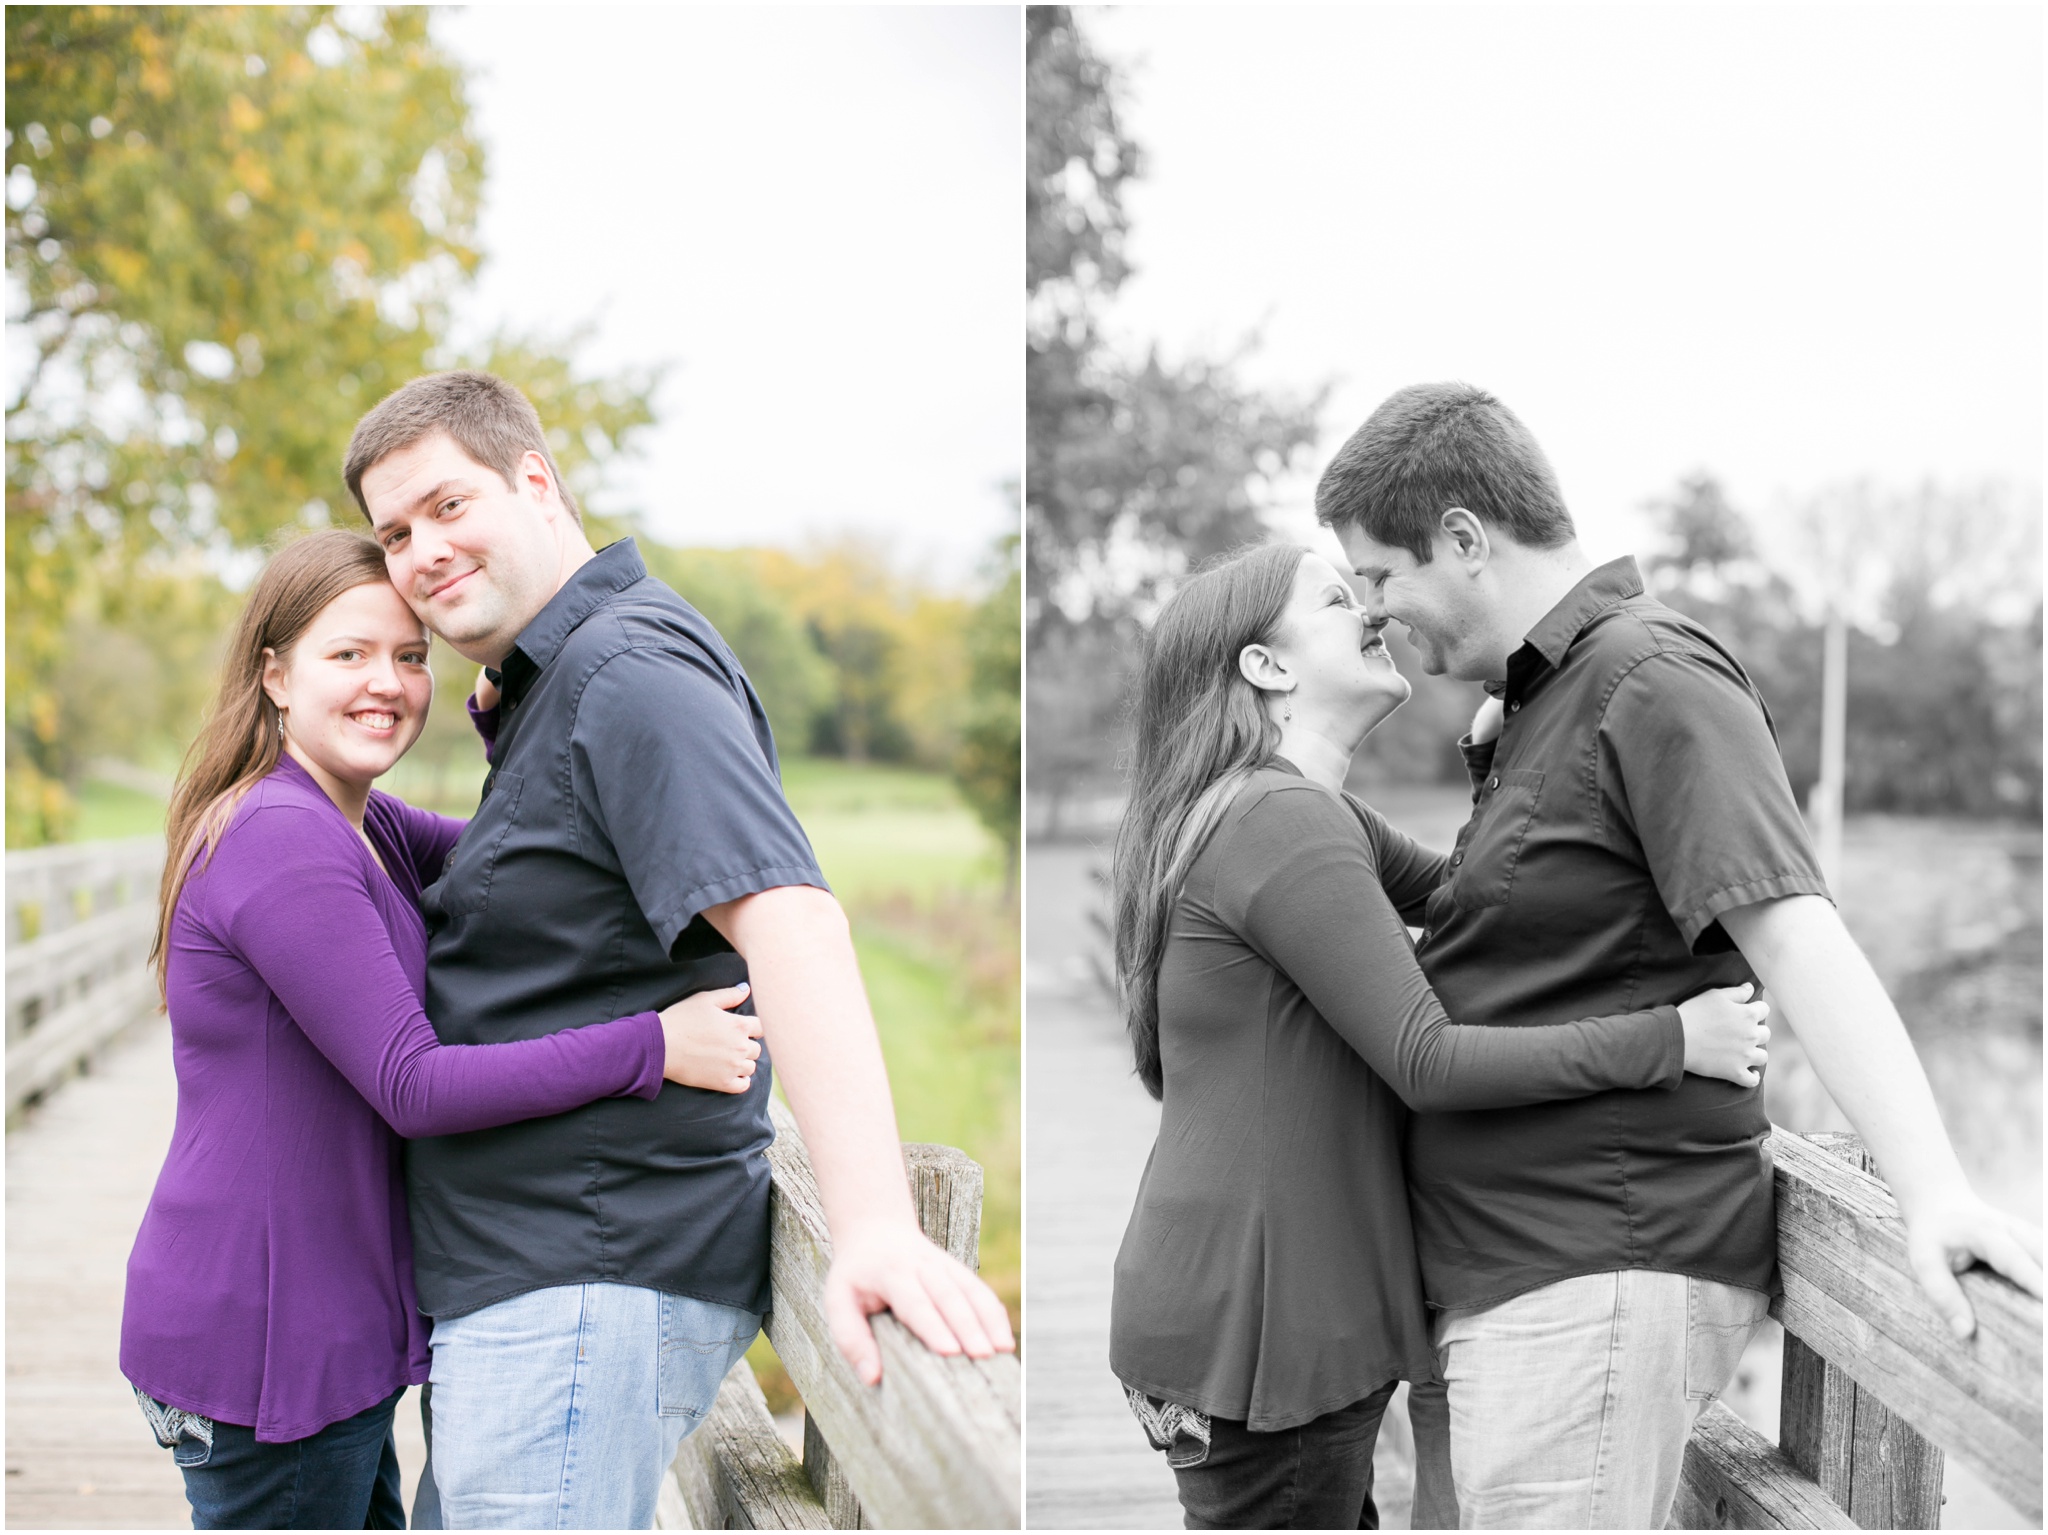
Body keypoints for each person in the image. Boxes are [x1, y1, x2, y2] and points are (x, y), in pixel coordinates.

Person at [1317, 380, 2046, 1529]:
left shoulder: (1651, 680)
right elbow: (1558, 938)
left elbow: (1795, 930)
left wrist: (1931, 1185)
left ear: (1462, 538)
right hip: (1501, 1271)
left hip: (1587, 1274)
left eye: (1378, 576)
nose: (1375, 613)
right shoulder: (1545, 702)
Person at [342, 371, 1014, 1530]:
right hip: (532, 1283)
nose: (420, 552)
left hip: (579, 1284)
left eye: (447, 506)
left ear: (536, 480)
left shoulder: (626, 672)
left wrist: (870, 1225)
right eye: (394, 533)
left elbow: (792, 919)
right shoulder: (556, 683)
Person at [1106, 540, 1773, 1530]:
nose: (1372, 615)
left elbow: (1468, 901)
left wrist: (1493, 761)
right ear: (1266, 665)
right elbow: (1430, 1058)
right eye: (1337, 599)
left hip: (1234, 1309)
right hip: (1260, 1328)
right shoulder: (1280, 817)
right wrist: (1669, 1037)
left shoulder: (1289, 811)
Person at [121, 530, 767, 1530]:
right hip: (267, 1338)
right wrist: (651, 1044)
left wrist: (531, 710)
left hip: (315, 1326)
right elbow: (414, 1084)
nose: (387, 681)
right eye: (350, 654)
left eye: (411, 656)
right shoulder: (281, 838)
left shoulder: (361, 820)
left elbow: (540, 854)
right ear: (275, 673)